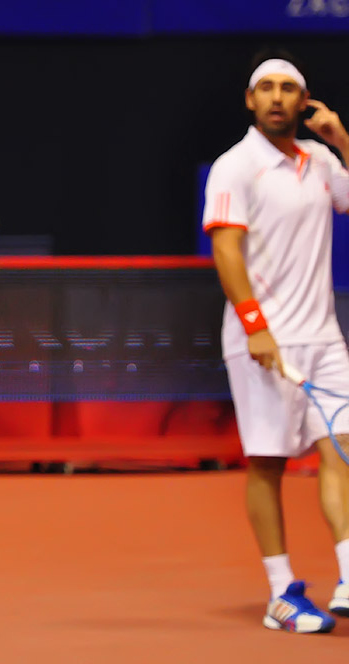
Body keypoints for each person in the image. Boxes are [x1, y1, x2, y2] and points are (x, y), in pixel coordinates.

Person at [204, 50, 349, 634]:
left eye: (289, 88)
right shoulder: (234, 166)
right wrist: (255, 324)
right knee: (266, 463)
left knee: (340, 449)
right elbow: (225, 249)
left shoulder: (319, 162)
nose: (277, 97)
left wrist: (343, 138)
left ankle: (348, 570)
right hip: (261, 339)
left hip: (324, 335)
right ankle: (280, 592)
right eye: (266, 87)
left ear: (302, 100)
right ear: (250, 100)